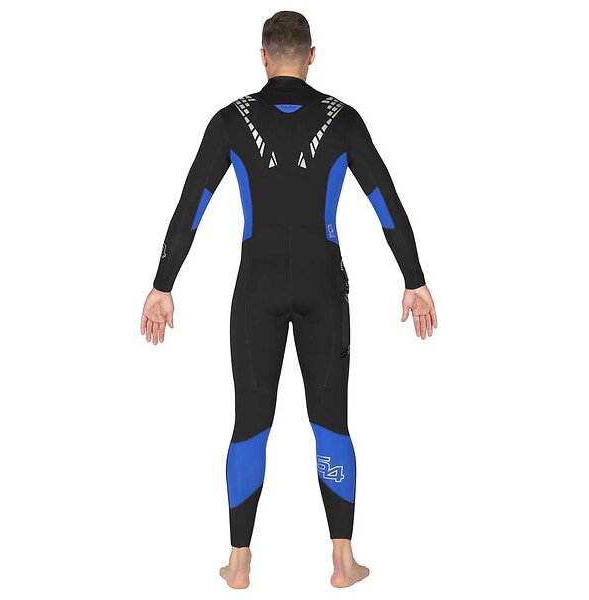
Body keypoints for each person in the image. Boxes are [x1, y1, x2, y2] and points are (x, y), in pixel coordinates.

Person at [140, 10, 437, 589]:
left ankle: (239, 563)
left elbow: (191, 205)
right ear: (312, 56)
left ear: (263, 57)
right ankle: (343, 561)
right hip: (325, 288)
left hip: (257, 289)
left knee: (251, 422)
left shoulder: (231, 120)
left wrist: (163, 285)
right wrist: (414, 279)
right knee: (331, 422)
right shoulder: (343, 119)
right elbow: (386, 201)